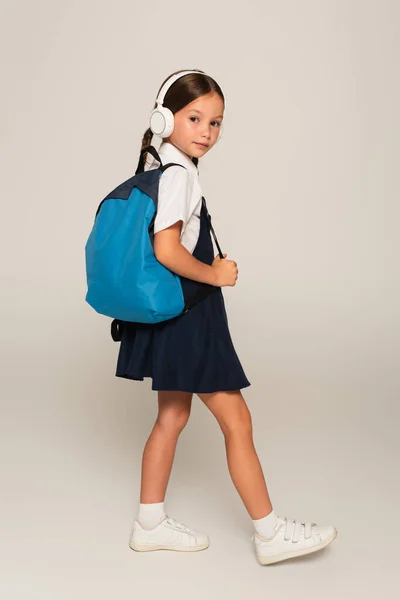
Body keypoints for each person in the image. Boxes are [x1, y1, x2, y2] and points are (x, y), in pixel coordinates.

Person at [115, 69, 338, 565]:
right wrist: (214, 275)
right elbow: (167, 250)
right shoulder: (177, 177)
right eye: (195, 118)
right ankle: (270, 533)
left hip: (169, 317)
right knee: (238, 420)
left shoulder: (165, 166)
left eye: (215, 123)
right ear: (163, 116)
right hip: (191, 316)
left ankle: (149, 523)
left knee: (171, 417)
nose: (206, 132)